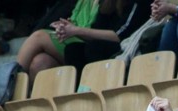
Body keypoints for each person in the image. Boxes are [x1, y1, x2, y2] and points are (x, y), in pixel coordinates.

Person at [19, 0, 152, 77]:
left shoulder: (139, 2)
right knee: (40, 62)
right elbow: (96, 29)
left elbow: (120, 36)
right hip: (94, 48)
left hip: (120, 52)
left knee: (39, 36)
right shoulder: (108, 4)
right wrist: (69, 28)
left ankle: (9, 83)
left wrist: (76, 30)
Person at [16, 0, 100, 82]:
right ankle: (24, 94)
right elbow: (74, 21)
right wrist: (65, 25)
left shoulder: (106, 4)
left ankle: (11, 84)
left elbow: (103, 35)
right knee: (40, 62)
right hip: (74, 39)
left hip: (92, 47)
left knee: (38, 36)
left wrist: (74, 30)